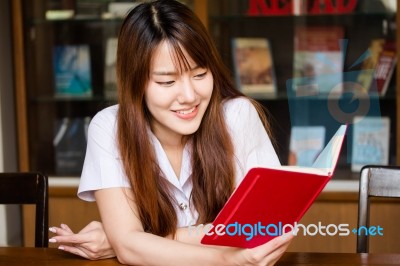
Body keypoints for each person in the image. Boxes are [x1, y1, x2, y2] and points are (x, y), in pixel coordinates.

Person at [49, 0, 294, 264]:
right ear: (135, 82)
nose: (189, 96)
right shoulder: (109, 127)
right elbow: (129, 246)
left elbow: (264, 229)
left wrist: (139, 240)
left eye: (200, 74)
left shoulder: (237, 116)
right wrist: (228, 258)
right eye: (167, 82)